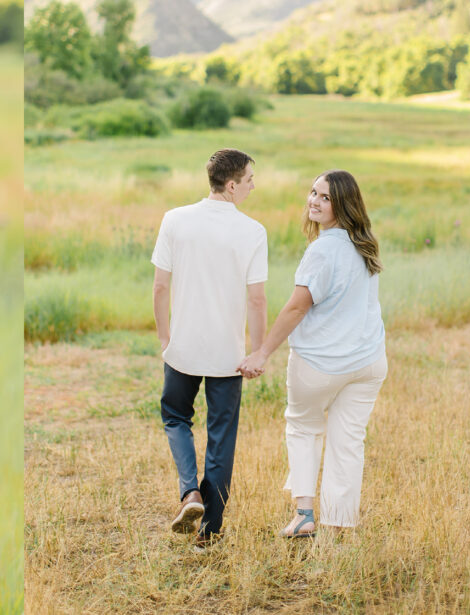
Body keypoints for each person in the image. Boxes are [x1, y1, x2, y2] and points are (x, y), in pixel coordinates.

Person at [238, 170, 385, 538]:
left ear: (343, 205)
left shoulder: (322, 250)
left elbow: (295, 308)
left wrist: (262, 353)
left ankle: (305, 514)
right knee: (348, 442)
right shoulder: (364, 244)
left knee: (303, 428)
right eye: (313, 192)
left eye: (325, 197)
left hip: (321, 364)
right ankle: (337, 526)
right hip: (367, 362)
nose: (314, 201)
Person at [151, 148, 268, 550]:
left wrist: (165, 339)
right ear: (232, 185)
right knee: (221, 435)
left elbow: (160, 286)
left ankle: (190, 493)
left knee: (175, 418)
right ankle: (210, 531)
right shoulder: (253, 232)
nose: (254, 186)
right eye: (250, 179)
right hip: (227, 355)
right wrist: (257, 352)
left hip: (182, 348)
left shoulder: (175, 220)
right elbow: (256, 300)